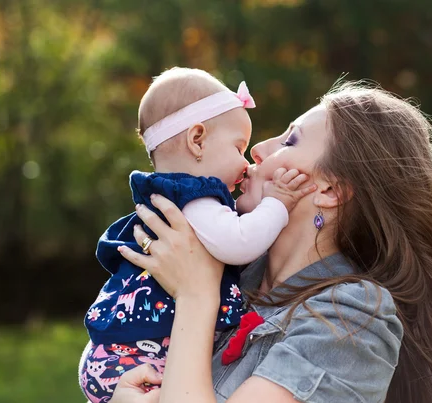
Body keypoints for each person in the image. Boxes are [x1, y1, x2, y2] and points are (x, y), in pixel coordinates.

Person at [111, 81, 432, 403]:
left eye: (291, 139)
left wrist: (196, 297)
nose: (259, 148)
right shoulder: (235, 280)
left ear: (330, 192)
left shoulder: (351, 317)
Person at [78, 67, 315, 402]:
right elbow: (240, 242)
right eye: (238, 148)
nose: (246, 163)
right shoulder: (197, 199)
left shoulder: (169, 194)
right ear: (197, 140)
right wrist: (277, 204)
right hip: (140, 355)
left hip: (118, 355)